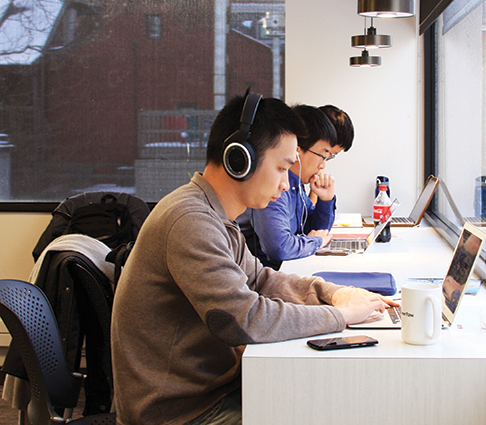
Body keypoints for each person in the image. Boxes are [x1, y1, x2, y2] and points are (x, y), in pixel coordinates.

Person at [111, 93, 394, 425]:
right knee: (327, 411)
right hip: (181, 412)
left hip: (211, 390)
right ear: (239, 160)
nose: (287, 185)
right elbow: (244, 319)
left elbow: (261, 280)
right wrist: (339, 316)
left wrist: (333, 293)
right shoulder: (189, 221)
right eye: (282, 168)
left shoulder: (214, 216)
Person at [237, 104, 339, 269]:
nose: (322, 166)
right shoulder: (275, 186)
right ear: (297, 150)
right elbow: (279, 247)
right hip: (262, 279)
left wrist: (325, 200)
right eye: (322, 156)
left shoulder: (295, 185)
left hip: (283, 272)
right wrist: (315, 241)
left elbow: (316, 230)